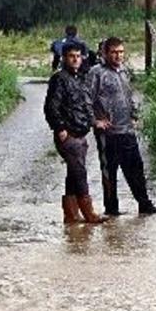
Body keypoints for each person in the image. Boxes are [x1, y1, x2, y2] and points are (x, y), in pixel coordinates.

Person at [88, 37, 156, 216]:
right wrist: (95, 121)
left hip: (127, 130)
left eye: (121, 52)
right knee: (110, 172)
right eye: (114, 52)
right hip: (107, 133)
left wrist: (134, 115)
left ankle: (145, 204)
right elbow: (86, 100)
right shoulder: (97, 73)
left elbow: (129, 95)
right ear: (104, 53)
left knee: (136, 168)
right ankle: (111, 209)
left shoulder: (124, 71)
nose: (118, 56)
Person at [44, 43, 109, 223]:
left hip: (81, 134)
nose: (75, 59)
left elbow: (85, 106)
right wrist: (60, 128)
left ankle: (71, 215)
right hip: (69, 135)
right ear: (64, 58)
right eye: (72, 56)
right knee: (79, 173)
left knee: (73, 174)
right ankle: (89, 213)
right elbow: (51, 107)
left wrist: (94, 122)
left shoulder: (80, 78)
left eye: (78, 56)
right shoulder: (59, 79)